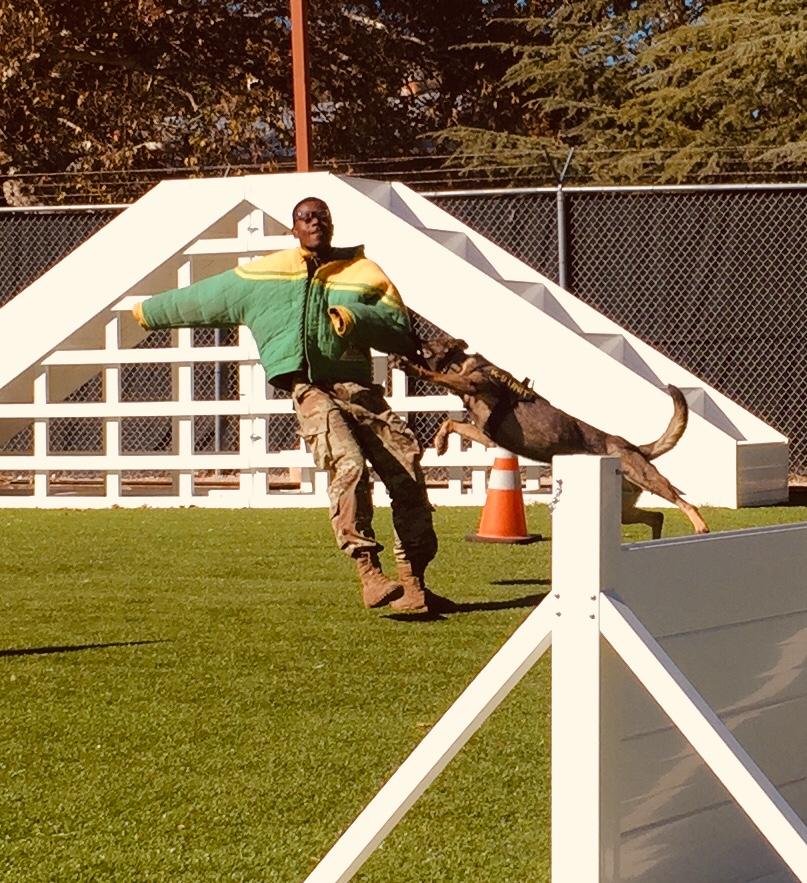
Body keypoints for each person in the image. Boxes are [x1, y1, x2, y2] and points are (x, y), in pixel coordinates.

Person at [133, 196, 447, 614]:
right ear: (293, 228)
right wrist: (145, 312)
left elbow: (398, 328)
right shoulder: (264, 274)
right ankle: (369, 572)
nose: (316, 222)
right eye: (307, 217)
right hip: (309, 389)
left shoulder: (363, 272)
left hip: (358, 387)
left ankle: (413, 583)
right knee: (348, 465)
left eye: (323, 217)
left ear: (332, 226)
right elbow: (204, 297)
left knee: (406, 468)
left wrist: (353, 317)